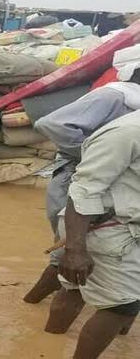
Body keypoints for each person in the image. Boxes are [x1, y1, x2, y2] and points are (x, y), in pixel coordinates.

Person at [24, 46, 140, 304]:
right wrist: (92, 155)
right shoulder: (113, 97)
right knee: (69, 251)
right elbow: (51, 124)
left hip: (103, 183)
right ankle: (32, 307)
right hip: (78, 180)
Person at [43, 108, 140, 358]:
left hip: (113, 225)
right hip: (103, 228)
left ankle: (43, 345)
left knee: (74, 289)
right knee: (124, 306)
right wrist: (75, 250)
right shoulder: (128, 132)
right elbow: (83, 189)